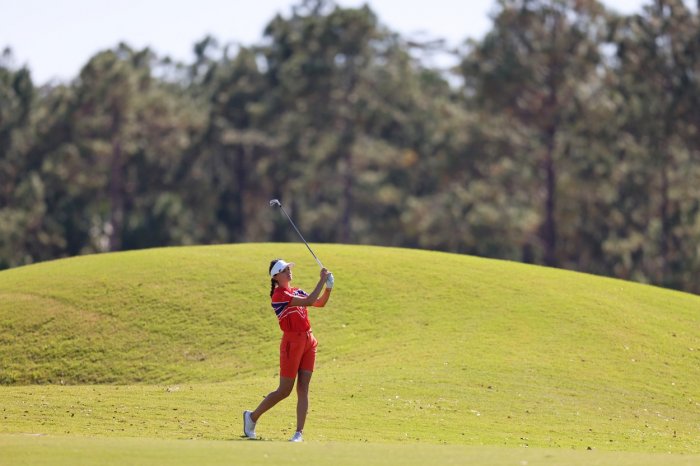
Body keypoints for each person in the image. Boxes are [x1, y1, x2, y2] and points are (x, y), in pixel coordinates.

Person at [243, 258, 334, 442]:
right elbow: (309, 301)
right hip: (291, 343)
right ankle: (251, 417)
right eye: (284, 270)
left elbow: (319, 303)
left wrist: (329, 288)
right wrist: (322, 280)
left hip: (309, 340)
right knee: (285, 390)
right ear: (276, 276)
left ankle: (298, 433)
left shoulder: (296, 290)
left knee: (303, 388)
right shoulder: (279, 295)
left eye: (288, 269)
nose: (289, 271)